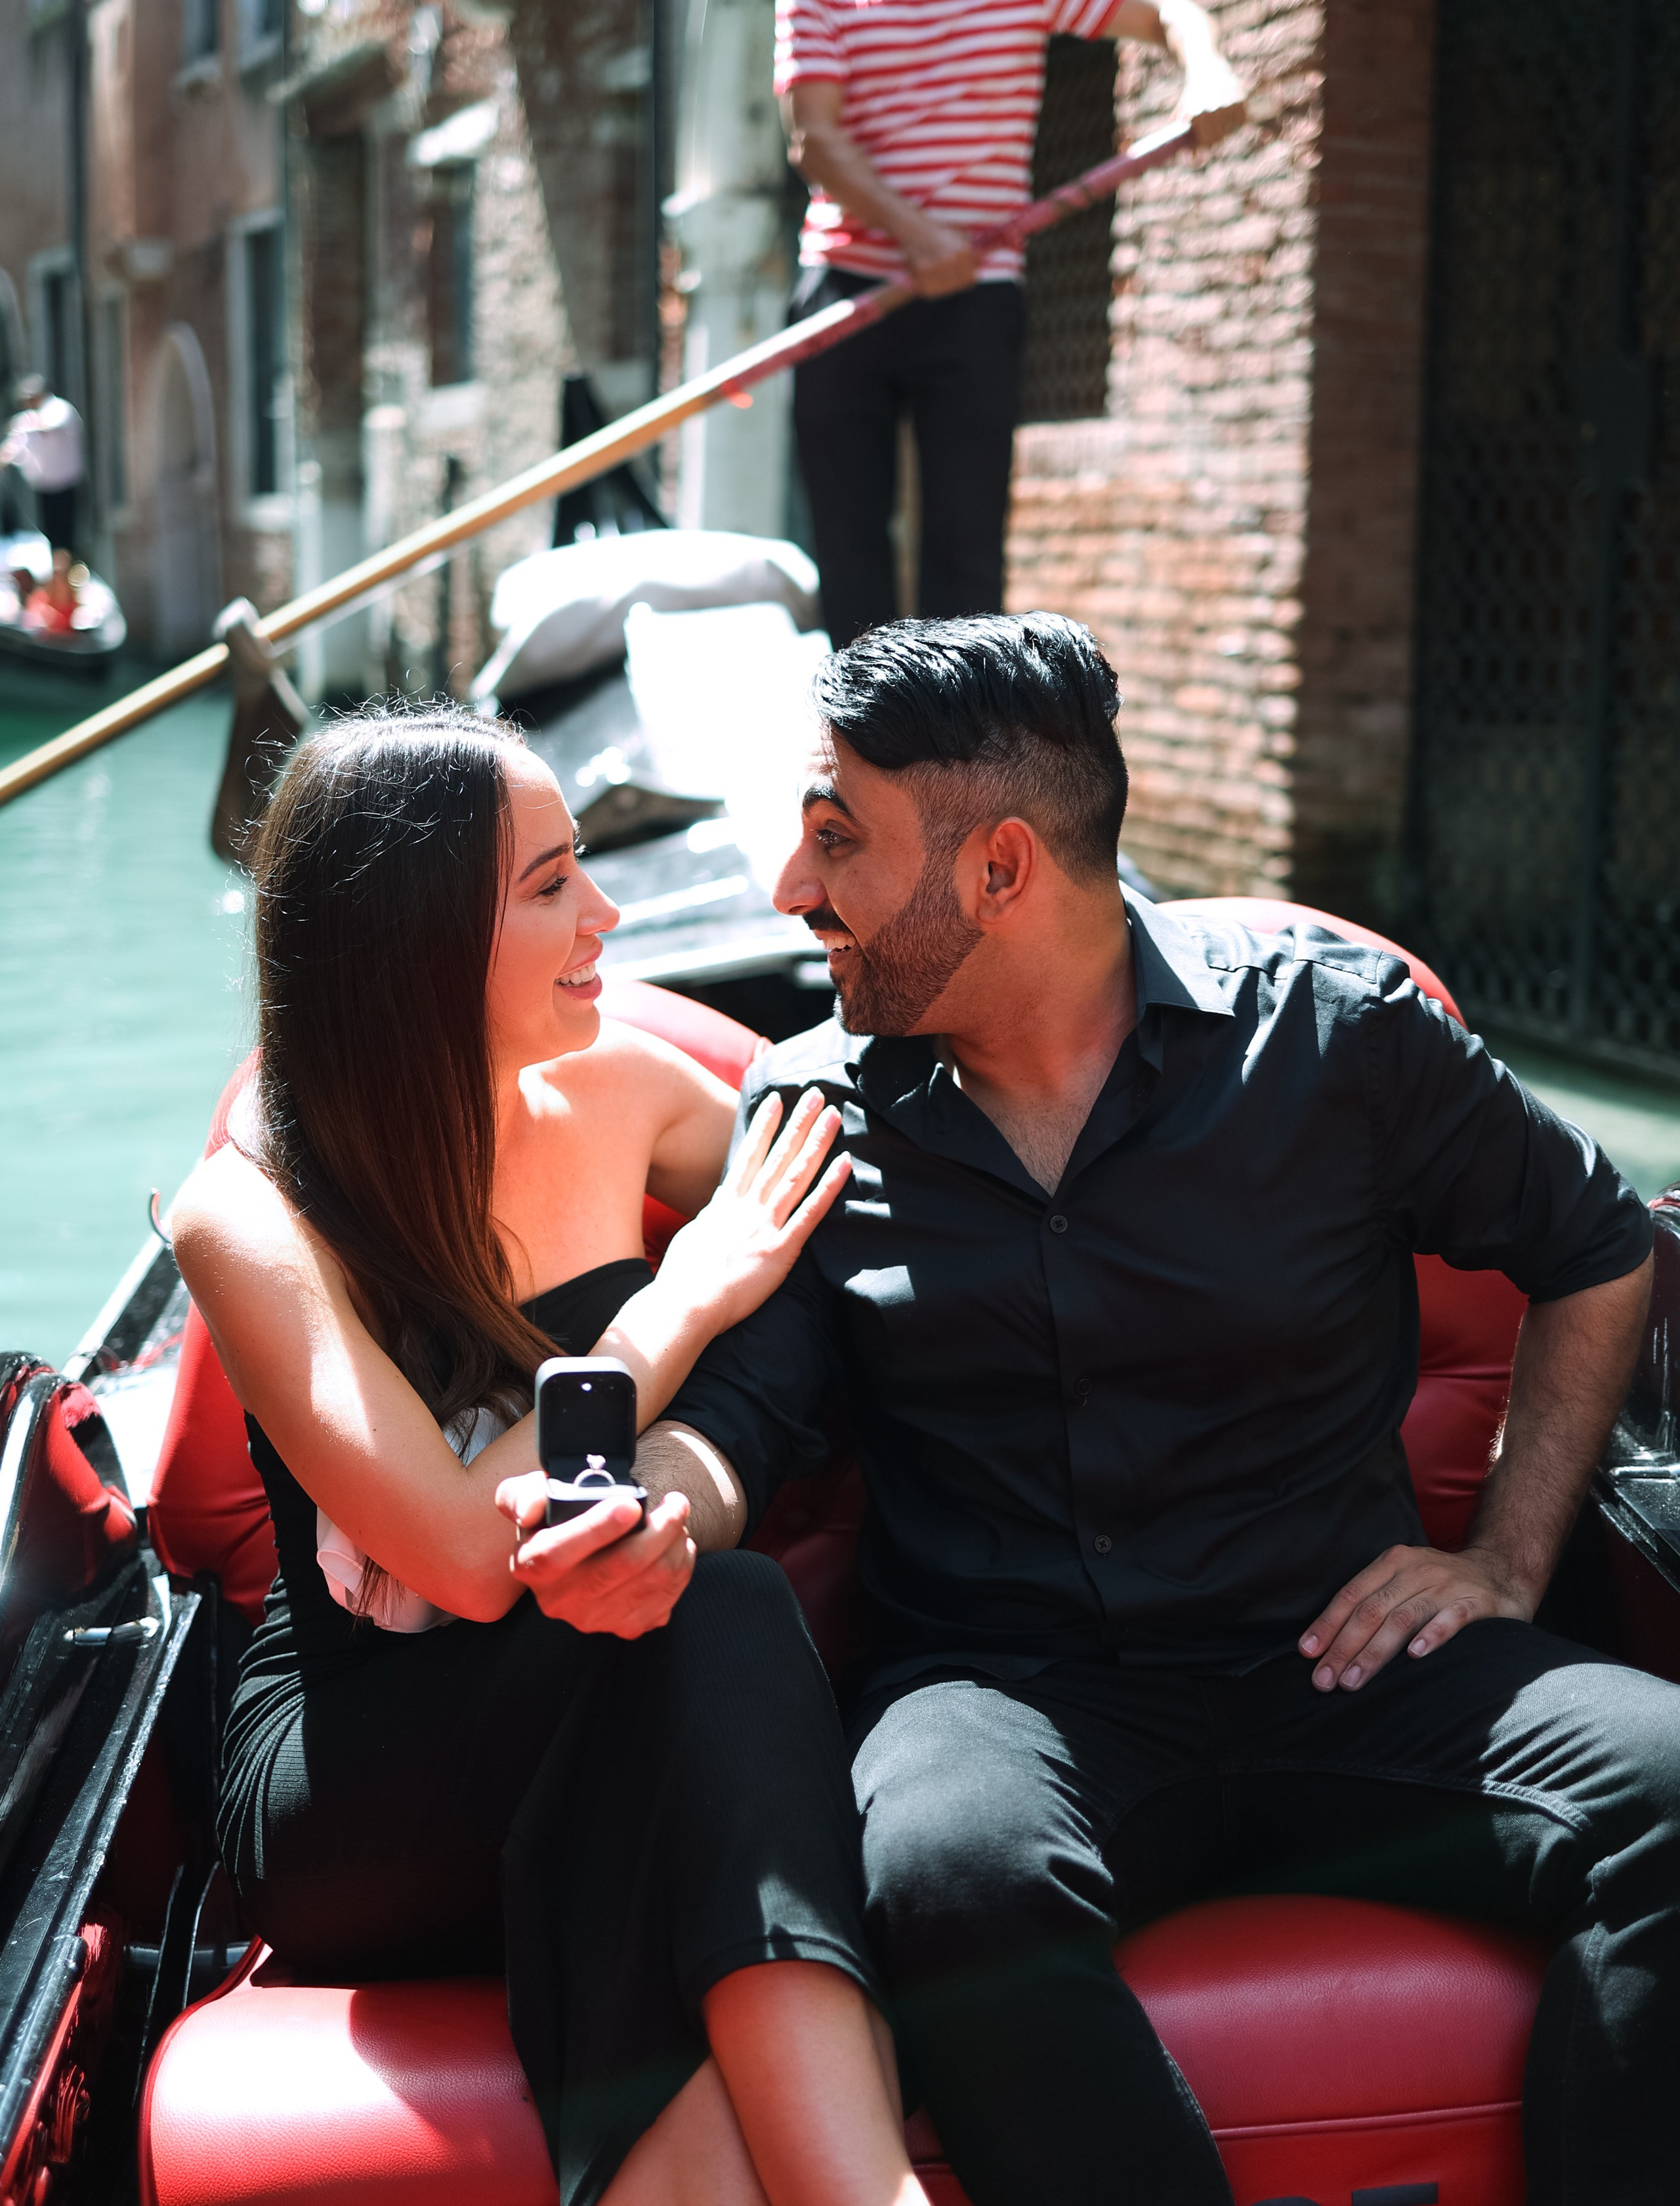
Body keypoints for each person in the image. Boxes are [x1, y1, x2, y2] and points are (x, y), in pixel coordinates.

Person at [610, 612, 1680, 2206]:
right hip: (1008, 1693)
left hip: (1347, 1663)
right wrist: (652, 1508)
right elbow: (734, 1429)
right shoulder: (812, 1103)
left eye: (835, 839)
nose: (787, 889)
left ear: (1000, 869)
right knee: (944, 1870)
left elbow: (1594, 1244)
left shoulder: (1338, 1029)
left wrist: (1505, 1560)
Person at [169, 701, 934, 2206]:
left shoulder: (626, 1092)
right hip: (359, 1773)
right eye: (548, 885)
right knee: (709, 1614)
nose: (607, 914)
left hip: (609, 1690)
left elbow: (854, 1200)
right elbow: (467, 1557)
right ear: (415, 938)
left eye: (584, 866)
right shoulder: (247, 1215)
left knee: (681, 1625)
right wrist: (682, 1297)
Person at [777, 0, 1246, 650]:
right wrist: (918, 235)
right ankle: (863, 731)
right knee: (849, 548)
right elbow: (816, 142)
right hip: (846, 285)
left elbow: (1170, 15)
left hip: (977, 292)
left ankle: (961, 735)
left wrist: (1207, 72)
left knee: (967, 558)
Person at [1, 375, 85, 554]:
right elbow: (12, 448)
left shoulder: (59, 408)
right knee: (51, 536)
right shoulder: (26, 419)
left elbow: (49, 426)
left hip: (66, 485)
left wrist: (26, 424)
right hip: (44, 488)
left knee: (68, 535)